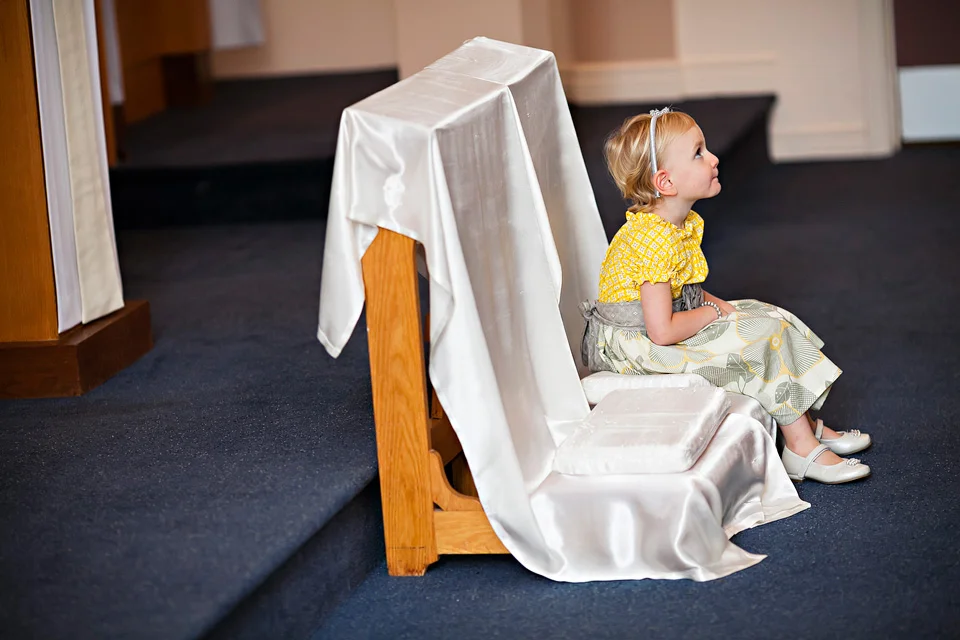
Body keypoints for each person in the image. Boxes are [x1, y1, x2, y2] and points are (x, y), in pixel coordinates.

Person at [581, 107, 871, 484]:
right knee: (760, 339)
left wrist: (725, 309)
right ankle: (800, 448)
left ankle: (806, 422)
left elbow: (686, 290)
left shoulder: (674, 224)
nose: (714, 158)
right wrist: (710, 315)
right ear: (666, 182)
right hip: (637, 348)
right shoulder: (653, 241)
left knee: (770, 316)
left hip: (668, 320)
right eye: (698, 153)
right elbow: (661, 331)